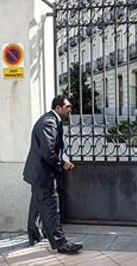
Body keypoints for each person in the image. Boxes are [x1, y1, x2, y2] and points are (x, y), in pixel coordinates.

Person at [23, 95, 83, 254]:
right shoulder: (49, 123)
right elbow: (47, 151)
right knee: (51, 207)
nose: (70, 109)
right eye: (67, 107)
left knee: (37, 203)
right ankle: (60, 243)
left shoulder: (51, 120)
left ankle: (34, 233)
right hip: (43, 175)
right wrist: (62, 164)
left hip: (37, 173)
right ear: (58, 107)